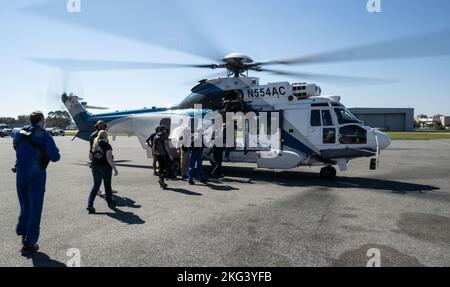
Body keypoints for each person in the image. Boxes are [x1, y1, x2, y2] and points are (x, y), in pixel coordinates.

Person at [13, 111, 60, 257]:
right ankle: (30, 243)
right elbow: (55, 157)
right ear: (40, 120)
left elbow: (17, 150)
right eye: (44, 119)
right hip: (36, 176)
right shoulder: (44, 135)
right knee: (35, 208)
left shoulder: (18, 133)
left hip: (20, 175)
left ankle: (22, 232)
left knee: (24, 205)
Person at [87, 130, 119, 214]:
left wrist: (97, 158)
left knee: (96, 186)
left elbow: (90, 157)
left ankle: (90, 205)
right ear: (106, 137)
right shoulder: (107, 145)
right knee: (107, 185)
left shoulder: (94, 145)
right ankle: (110, 202)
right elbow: (109, 158)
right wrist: (115, 168)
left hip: (95, 168)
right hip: (105, 168)